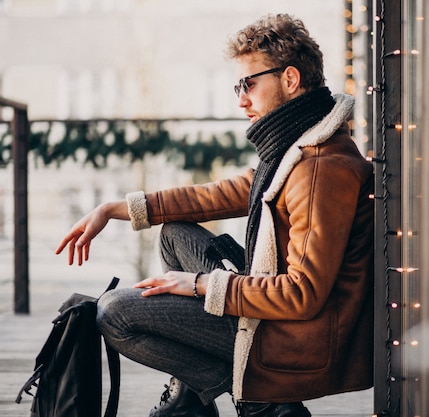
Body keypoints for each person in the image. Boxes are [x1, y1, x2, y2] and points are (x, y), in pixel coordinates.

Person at [56, 13, 374, 417]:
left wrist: (200, 284)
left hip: (287, 340)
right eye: (237, 86)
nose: (241, 99)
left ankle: (260, 398)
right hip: (274, 312)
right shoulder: (295, 148)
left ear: (290, 80)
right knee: (174, 233)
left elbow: (301, 295)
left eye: (249, 84)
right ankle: (194, 397)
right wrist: (115, 209)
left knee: (115, 312)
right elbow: (220, 194)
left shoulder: (318, 170)